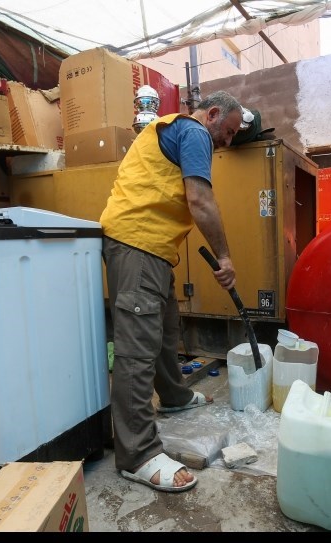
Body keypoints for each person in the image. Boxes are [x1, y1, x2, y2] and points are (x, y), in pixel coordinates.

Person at [100, 91, 243, 492]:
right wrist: (225, 258)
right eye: (228, 132)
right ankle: (137, 454)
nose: (227, 142)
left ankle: (175, 396)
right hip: (138, 243)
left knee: (165, 333)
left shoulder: (169, 128)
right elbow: (199, 200)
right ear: (212, 114)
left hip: (152, 247)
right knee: (136, 351)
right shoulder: (194, 132)